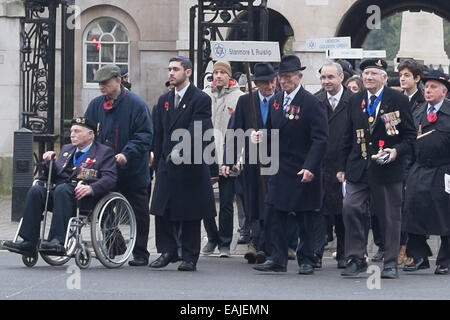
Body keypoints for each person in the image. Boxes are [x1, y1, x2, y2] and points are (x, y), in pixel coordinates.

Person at [337, 58, 416, 279]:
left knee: (389, 217)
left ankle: (390, 262)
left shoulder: (398, 99)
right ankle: (356, 257)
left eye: (373, 74)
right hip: (358, 167)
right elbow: (347, 136)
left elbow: (410, 137)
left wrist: (395, 152)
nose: (369, 77)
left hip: (387, 169)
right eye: (366, 74)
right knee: (351, 208)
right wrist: (341, 167)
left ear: (383, 77)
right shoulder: (355, 100)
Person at [252, 55, 328, 275]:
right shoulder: (277, 100)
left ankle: (306, 259)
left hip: (303, 167)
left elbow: (320, 138)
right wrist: (262, 135)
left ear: (299, 77)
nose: (283, 81)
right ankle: (277, 257)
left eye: (287, 77)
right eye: (281, 77)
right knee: (274, 213)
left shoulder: (311, 102)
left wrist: (311, 166)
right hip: (280, 167)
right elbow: (272, 128)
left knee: (304, 216)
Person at [3, 118, 117, 256]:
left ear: (90, 134)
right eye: (71, 131)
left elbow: (110, 179)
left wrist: (91, 188)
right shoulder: (67, 149)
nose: (72, 134)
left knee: (62, 189)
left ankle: (57, 241)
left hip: (84, 198)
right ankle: (29, 242)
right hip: (61, 194)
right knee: (36, 190)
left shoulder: (104, 152)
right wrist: (49, 163)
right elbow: (54, 176)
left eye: (77, 131)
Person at [149, 56, 216, 271]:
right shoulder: (164, 100)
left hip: (190, 165)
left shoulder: (200, 99)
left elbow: (198, 129)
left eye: (175, 69)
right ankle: (167, 251)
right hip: (166, 165)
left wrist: (179, 150)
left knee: (189, 213)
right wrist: (156, 160)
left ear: (187, 72)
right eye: (169, 69)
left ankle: (189, 256)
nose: (170, 73)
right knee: (162, 210)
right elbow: (159, 133)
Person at [84, 64, 153, 267]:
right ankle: (116, 245)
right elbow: (87, 132)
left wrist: (126, 153)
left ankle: (141, 252)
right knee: (102, 208)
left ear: (118, 81)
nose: (101, 87)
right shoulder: (96, 105)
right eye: (99, 83)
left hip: (131, 169)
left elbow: (144, 135)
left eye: (105, 83)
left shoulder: (136, 104)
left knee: (139, 210)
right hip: (105, 169)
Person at [223, 62, 277, 264]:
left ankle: (269, 244)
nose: (270, 87)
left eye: (272, 82)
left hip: (275, 160)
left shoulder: (280, 100)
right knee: (253, 201)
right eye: (265, 83)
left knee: (271, 201)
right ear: (257, 83)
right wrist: (229, 160)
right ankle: (255, 241)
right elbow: (234, 130)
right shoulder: (246, 102)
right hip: (252, 161)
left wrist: (268, 136)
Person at [403, 70, 450, 275]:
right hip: (419, 167)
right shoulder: (418, 111)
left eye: (433, 87)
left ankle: (445, 260)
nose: (428, 91)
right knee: (412, 210)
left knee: (445, 214)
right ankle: (419, 255)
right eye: (427, 87)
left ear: (444, 91)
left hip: (444, 169)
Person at [202, 60, 244, 257]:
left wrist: (239, 157)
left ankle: (225, 242)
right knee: (205, 201)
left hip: (229, 156)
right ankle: (212, 237)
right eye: (215, 73)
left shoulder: (239, 98)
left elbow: (243, 131)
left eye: (222, 73)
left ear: (229, 76)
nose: (218, 76)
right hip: (206, 155)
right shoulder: (203, 95)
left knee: (227, 202)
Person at [314, 61, 353, 269]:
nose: (326, 81)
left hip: (343, 165)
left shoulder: (353, 101)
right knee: (319, 212)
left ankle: (344, 254)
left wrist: (348, 166)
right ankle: (316, 253)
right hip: (320, 165)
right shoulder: (315, 100)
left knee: (343, 213)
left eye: (330, 77)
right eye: (323, 78)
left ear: (341, 78)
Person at [397, 59, 425, 265]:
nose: (403, 79)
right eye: (401, 75)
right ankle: (402, 247)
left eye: (407, 75)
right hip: (399, 157)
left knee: (413, 206)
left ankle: (414, 251)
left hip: (415, 159)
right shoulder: (399, 99)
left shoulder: (423, 100)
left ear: (417, 78)